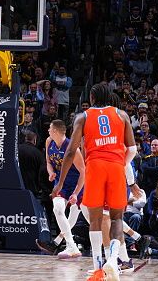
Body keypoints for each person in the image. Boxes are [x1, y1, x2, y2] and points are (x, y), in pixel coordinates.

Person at [53, 84, 136, 281]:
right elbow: (132, 149)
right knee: (116, 218)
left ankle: (98, 268)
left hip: (95, 167)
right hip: (116, 166)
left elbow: (71, 151)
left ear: (91, 97)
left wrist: (61, 182)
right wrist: (119, 163)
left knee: (95, 219)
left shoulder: (83, 117)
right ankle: (114, 260)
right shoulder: (122, 115)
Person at [37, 120, 87, 259]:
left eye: (50, 129)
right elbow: (48, 162)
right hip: (60, 183)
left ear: (56, 131)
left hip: (76, 183)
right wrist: (51, 172)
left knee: (82, 216)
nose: (48, 131)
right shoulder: (49, 142)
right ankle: (71, 246)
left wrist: (76, 193)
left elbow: (83, 172)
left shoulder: (72, 148)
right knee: (58, 209)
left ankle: (116, 242)